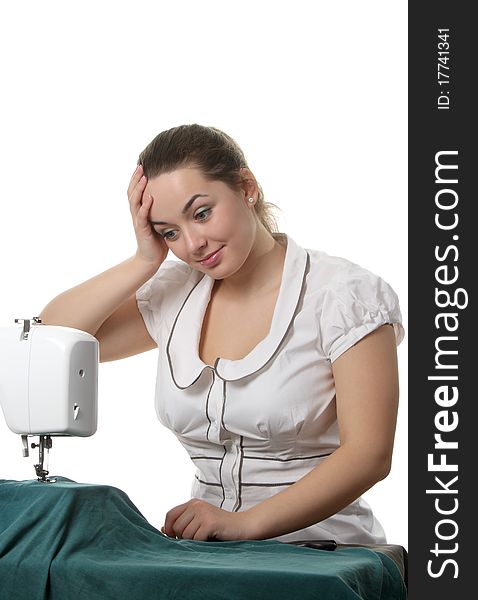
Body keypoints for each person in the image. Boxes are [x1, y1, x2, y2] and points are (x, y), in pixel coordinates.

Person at [39, 124, 404, 545]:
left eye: (201, 213)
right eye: (169, 231)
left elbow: (369, 455)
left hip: (327, 554)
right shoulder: (176, 292)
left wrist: (243, 524)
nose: (193, 243)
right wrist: (144, 260)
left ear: (246, 187)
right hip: (211, 556)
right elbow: (50, 342)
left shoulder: (344, 295)